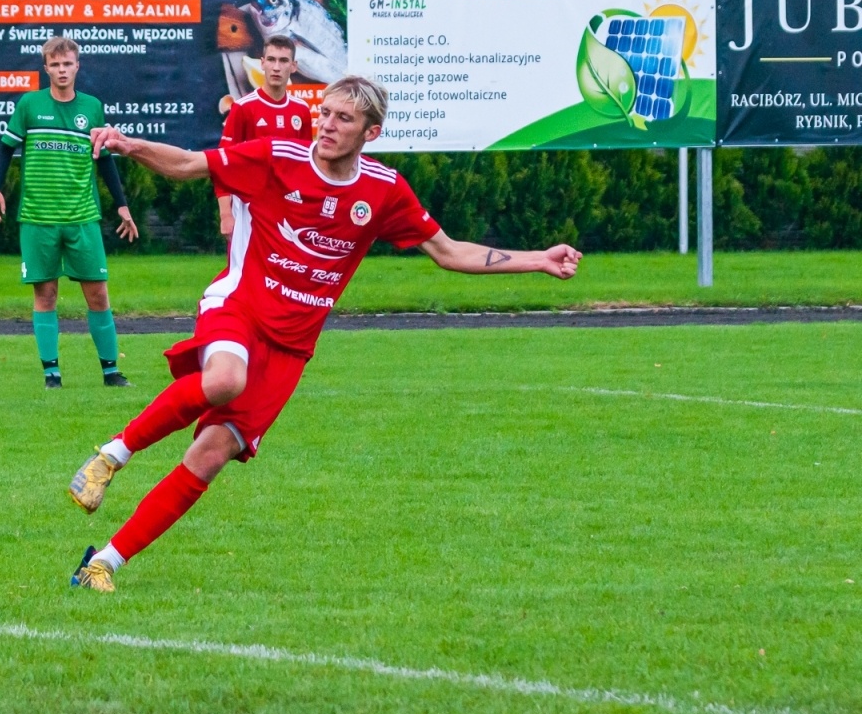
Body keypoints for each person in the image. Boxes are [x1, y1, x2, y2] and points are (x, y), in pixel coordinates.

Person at [66, 76, 582, 591]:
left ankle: (102, 565)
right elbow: (188, 164)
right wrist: (130, 145)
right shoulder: (278, 158)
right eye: (326, 113)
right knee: (225, 378)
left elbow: (450, 252)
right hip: (239, 305)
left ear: (370, 132)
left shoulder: (383, 191)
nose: (327, 126)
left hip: (291, 348)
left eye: (343, 119)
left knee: (211, 453)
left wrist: (539, 260)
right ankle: (111, 456)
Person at [0, 36, 139, 389]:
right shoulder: (29, 105)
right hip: (38, 218)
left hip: (82, 216)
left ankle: (111, 372)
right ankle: (51, 374)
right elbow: (5, 149)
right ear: (46, 68)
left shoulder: (93, 108)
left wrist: (122, 204)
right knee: (46, 294)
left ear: (77, 66)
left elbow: (106, 163)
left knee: (98, 293)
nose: (61, 70)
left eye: (67, 64)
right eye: (55, 65)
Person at [218, 35, 315, 237]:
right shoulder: (243, 108)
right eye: (271, 60)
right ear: (262, 63)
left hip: (288, 206)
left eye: (283, 60)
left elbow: (305, 165)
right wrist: (226, 214)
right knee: (244, 269)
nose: (276, 67)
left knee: (286, 267)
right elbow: (222, 163)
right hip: (248, 207)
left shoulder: (301, 110)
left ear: (294, 66)